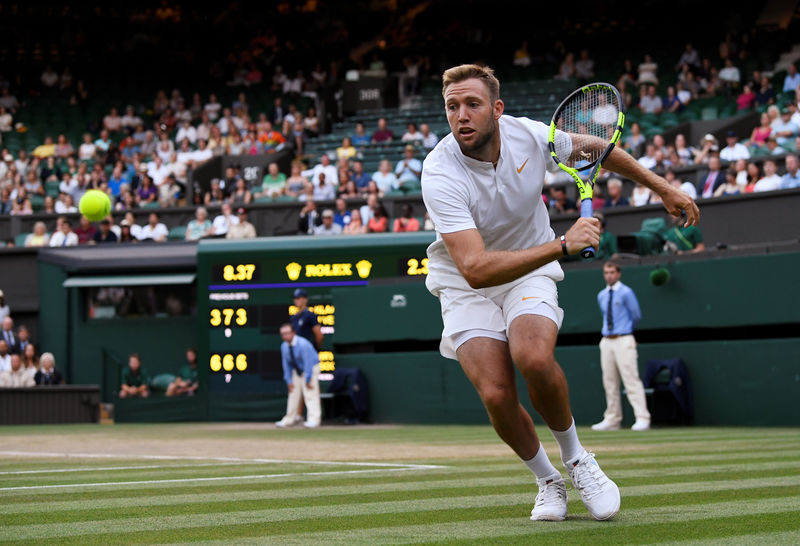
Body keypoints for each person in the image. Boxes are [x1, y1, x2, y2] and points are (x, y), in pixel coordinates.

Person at [421, 64, 698, 522]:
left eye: (472, 104)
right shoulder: (439, 171)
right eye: (452, 106)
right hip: (466, 282)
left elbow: (600, 149)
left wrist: (662, 188)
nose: (461, 115)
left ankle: (577, 459)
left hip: (528, 269)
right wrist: (564, 244)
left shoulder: (530, 135)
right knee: (495, 393)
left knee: (532, 357)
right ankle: (547, 480)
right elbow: (472, 268)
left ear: (497, 109)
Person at [592, 261, 651, 432]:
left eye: (612, 272)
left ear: (618, 274)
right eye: (606, 272)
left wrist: (628, 332)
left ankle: (642, 417)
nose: (609, 275)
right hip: (606, 340)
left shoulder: (626, 292)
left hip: (624, 338)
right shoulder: (601, 295)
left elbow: (636, 315)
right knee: (609, 382)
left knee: (631, 379)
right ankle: (612, 419)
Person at [275, 322, 321, 428]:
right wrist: (289, 381)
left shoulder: (303, 344)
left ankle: (314, 420)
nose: (285, 336)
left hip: (311, 368)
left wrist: (308, 379)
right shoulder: (284, 347)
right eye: (283, 334)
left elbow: (308, 363)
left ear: (293, 332)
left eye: (287, 333)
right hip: (297, 370)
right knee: (293, 394)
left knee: (310, 393)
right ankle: (289, 419)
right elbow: (286, 364)